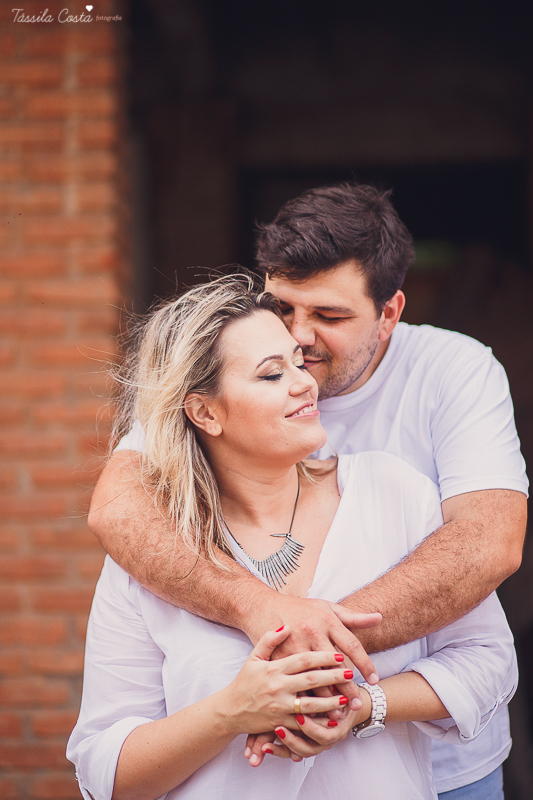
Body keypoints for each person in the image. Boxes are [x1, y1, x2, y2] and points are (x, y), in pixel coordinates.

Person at [88, 183, 528, 799]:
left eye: (329, 315)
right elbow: (118, 504)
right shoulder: (227, 367)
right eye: (284, 306)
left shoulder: (450, 379)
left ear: (390, 315)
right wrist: (257, 608)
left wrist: (313, 660)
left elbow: (490, 544)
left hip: (436, 764)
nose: (298, 339)